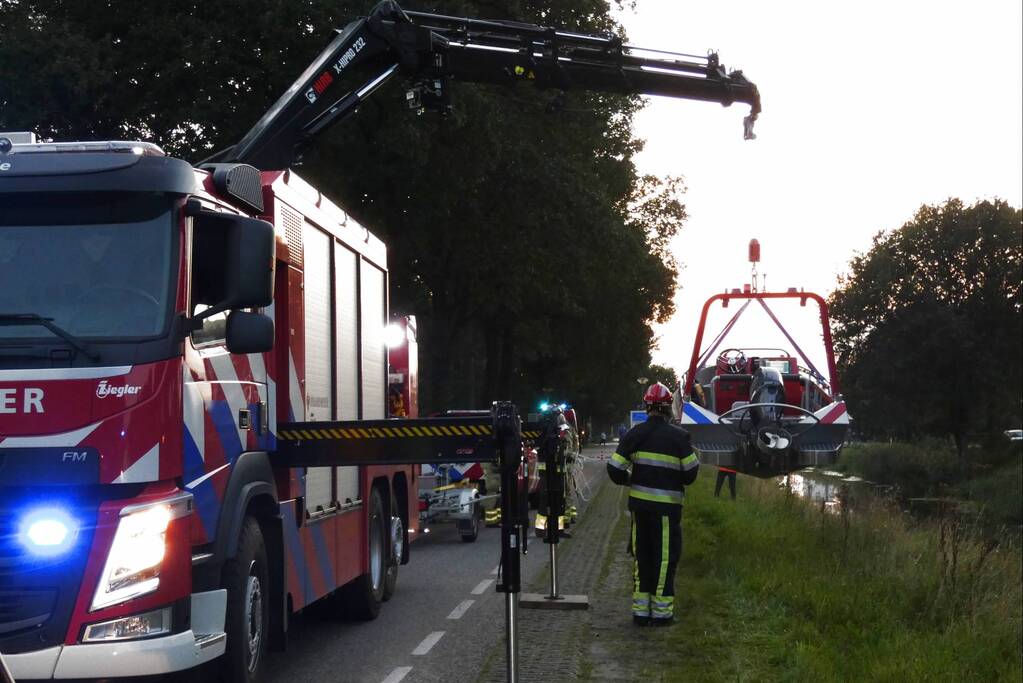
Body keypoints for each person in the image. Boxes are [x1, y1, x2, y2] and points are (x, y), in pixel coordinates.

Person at [607, 382, 699, 626]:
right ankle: (661, 614)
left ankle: (640, 612)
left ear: (646, 406)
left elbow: (614, 469)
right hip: (667, 511)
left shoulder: (634, 435)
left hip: (640, 510)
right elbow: (691, 473)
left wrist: (631, 480)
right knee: (664, 558)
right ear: (668, 407)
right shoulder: (679, 437)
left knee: (642, 557)